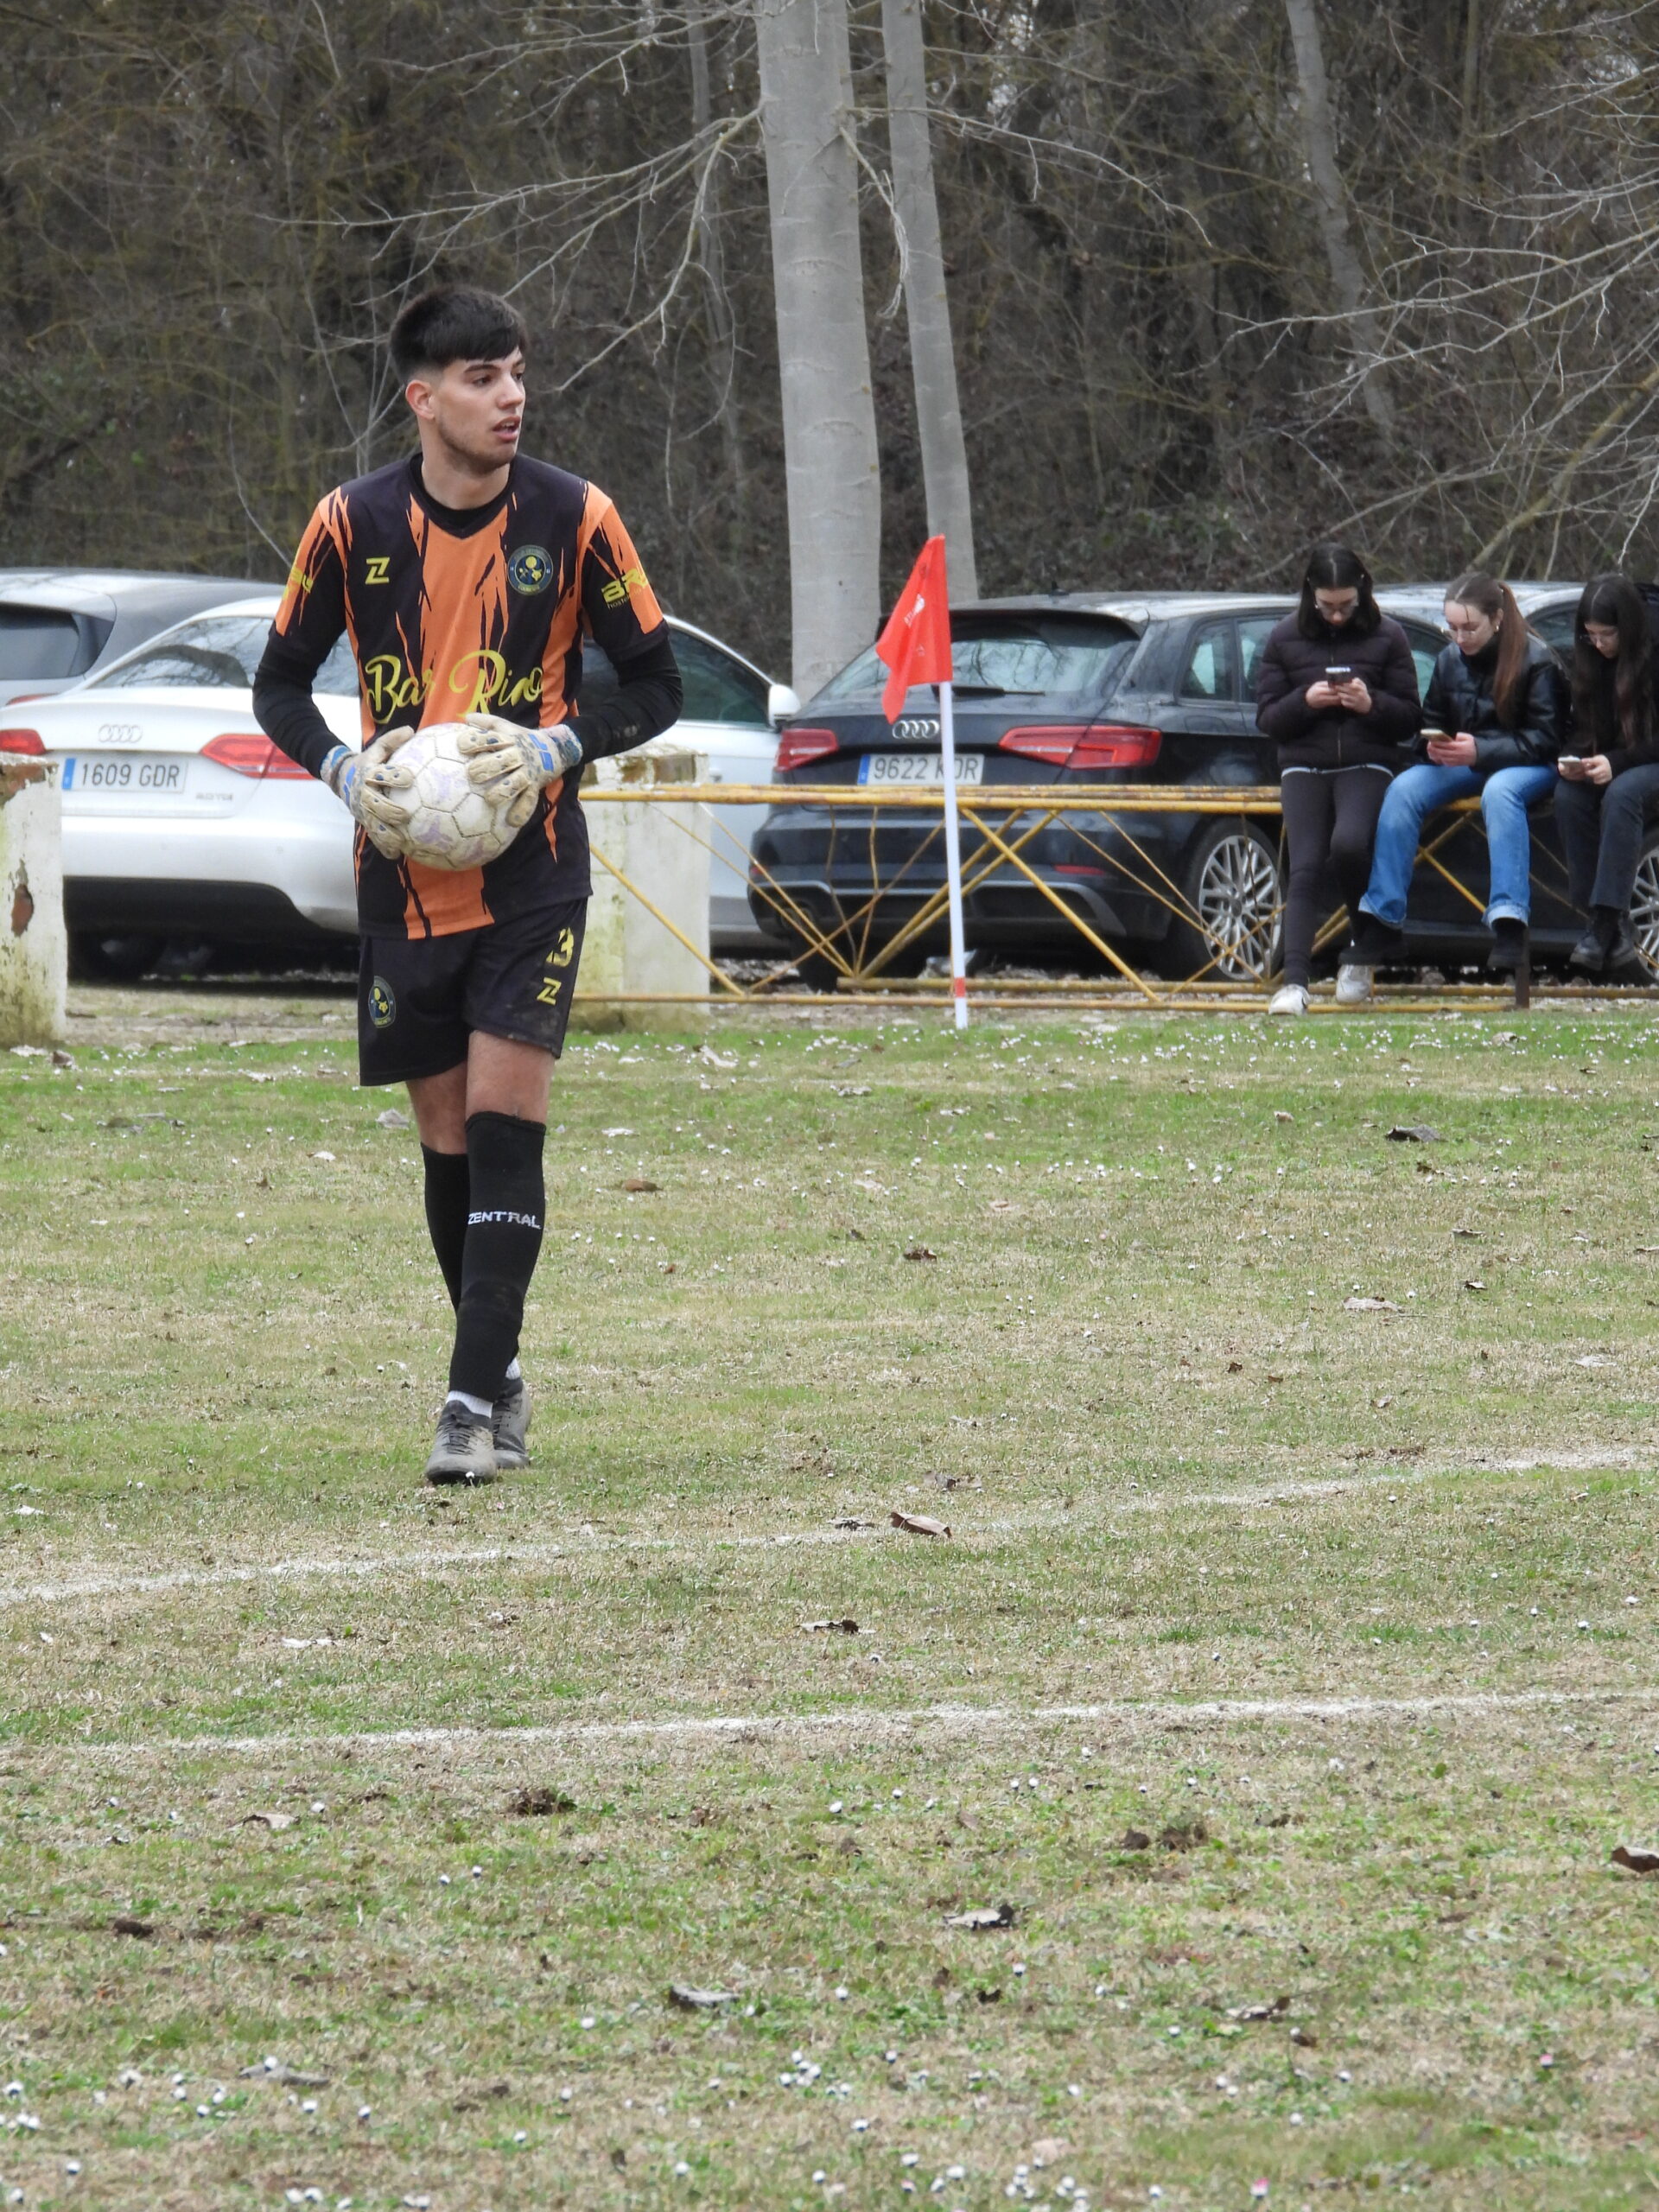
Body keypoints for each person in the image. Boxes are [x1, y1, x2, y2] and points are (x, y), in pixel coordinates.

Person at [253, 285, 682, 1485]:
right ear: (423, 397)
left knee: (503, 1122)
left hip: (534, 870)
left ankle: (462, 1406)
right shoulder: (348, 523)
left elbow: (658, 683)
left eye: (518, 373)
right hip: (402, 875)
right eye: (483, 378)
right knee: (445, 1139)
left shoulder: (578, 516)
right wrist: (345, 771)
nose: (511, 397)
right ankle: (498, 1373)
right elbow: (278, 686)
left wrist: (557, 746)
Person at [1347, 571, 1564, 981]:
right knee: (1403, 789)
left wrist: (1480, 750)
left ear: (1497, 619)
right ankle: (1382, 920)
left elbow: (1547, 739)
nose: (1459, 637)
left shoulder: (1536, 659)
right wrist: (1432, 746)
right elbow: (1432, 721)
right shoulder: (1449, 659)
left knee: (1500, 791)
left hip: (1530, 765)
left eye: (1469, 628)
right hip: (1467, 760)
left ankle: (1509, 922)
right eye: (1452, 628)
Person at [1254, 543, 1421, 1015]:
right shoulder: (1283, 637)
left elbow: (1411, 717)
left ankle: (1363, 949)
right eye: (1326, 605)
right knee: (1305, 864)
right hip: (1304, 763)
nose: (1335, 616)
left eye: (1346, 605)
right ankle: (1295, 983)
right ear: (1310, 593)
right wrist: (1305, 701)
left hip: (1367, 762)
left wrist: (1372, 705)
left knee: (1348, 844)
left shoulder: (1389, 636)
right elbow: (1268, 719)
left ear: (1362, 591)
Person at [1554, 574, 1659, 972]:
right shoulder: (1591, 660)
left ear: (1627, 628)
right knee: (1568, 795)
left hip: (1644, 760)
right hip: (1617, 759)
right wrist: (1573, 759)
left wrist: (1617, 763)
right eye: (1590, 635)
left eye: (1607, 635)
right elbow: (1583, 728)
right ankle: (1605, 921)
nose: (1598, 644)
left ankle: (1603, 922)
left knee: (1624, 792)